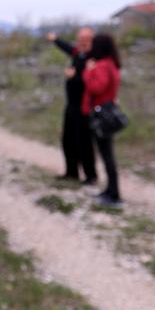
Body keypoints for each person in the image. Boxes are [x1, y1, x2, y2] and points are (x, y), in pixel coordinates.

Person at [47, 28, 97, 185]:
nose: (81, 43)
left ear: (92, 41)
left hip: (85, 107)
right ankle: (71, 172)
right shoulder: (78, 53)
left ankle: (91, 176)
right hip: (71, 106)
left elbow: (92, 83)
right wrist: (55, 39)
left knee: (84, 142)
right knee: (67, 140)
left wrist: (73, 77)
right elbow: (67, 47)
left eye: (85, 40)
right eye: (80, 39)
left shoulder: (93, 58)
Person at [83, 33, 123, 207]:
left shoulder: (102, 65)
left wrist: (88, 71)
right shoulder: (113, 64)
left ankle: (114, 195)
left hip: (101, 114)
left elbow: (96, 87)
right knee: (107, 154)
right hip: (108, 111)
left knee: (107, 155)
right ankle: (110, 190)